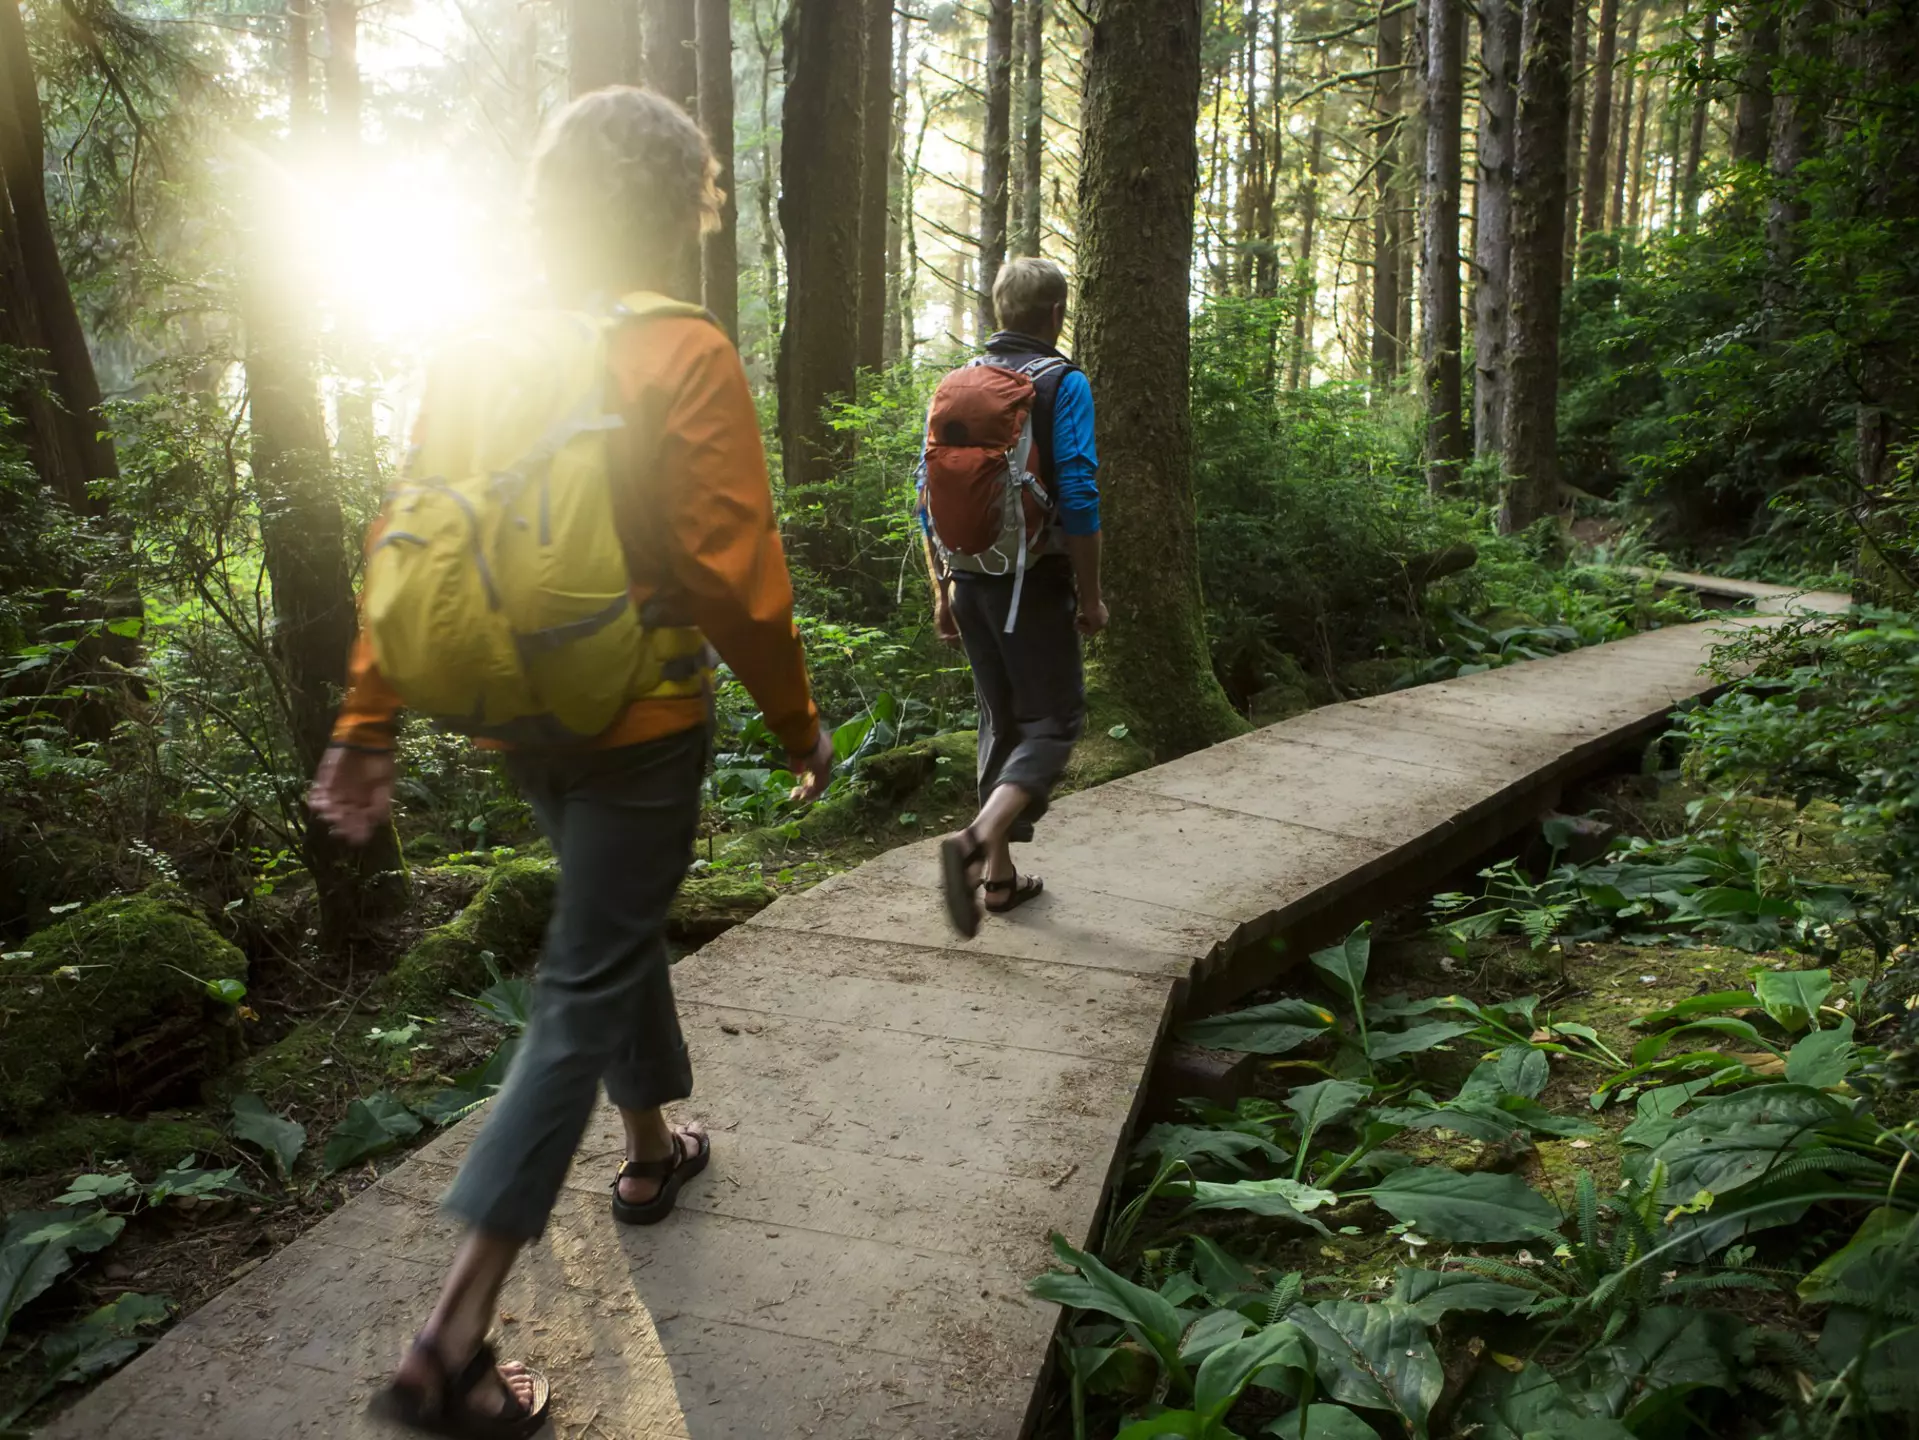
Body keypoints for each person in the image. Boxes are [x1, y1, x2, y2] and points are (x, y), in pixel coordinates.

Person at [309, 87, 832, 1438]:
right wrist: (793, 718)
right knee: (580, 983)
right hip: (641, 715)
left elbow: (409, 536)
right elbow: (731, 569)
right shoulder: (681, 350)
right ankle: (451, 1337)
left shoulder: (480, 347)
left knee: (613, 926)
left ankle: (651, 1157)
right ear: (681, 203)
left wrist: (368, 718)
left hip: (513, 711)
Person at [923, 257, 1104, 937]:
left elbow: (926, 492)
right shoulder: (1062, 383)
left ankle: (999, 881)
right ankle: (974, 844)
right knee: (1052, 722)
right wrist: (1090, 596)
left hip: (969, 580)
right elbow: (1080, 493)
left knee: (998, 720)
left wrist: (943, 591)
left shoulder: (957, 385)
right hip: (1031, 583)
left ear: (999, 312)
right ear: (1055, 314)